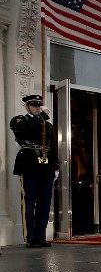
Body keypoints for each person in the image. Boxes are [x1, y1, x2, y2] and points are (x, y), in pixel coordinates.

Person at [10, 94, 59, 248]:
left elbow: (53, 146)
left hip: (46, 166)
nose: (38, 108)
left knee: (45, 203)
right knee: (29, 202)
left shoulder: (48, 125)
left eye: (39, 105)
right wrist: (41, 117)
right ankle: (30, 238)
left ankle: (40, 237)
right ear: (27, 106)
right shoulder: (20, 120)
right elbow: (23, 131)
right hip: (29, 164)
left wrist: (56, 166)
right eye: (34, 105)